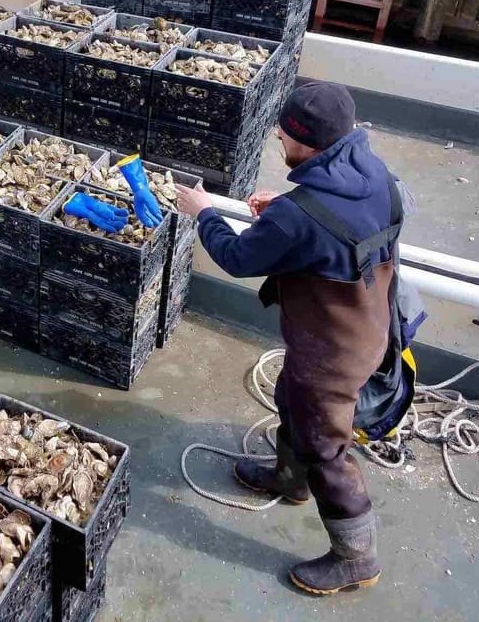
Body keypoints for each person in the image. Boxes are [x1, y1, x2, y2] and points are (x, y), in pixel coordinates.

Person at [176, 81, 407, 595]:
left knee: (327, 448)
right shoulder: (378, 177)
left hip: (331, 354)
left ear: (305, 141)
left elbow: (238, 259)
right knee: (290, 398)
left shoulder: (298, 216)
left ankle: (356, 557)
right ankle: (289, 478)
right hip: (371, 327)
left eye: (283, 132)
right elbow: (347, 229)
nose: (277, 137)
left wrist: (204, 212)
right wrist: (287, 209)